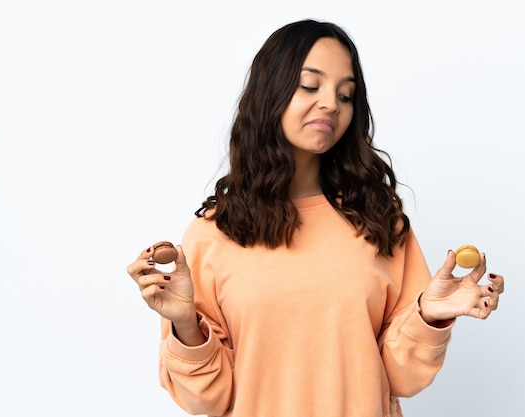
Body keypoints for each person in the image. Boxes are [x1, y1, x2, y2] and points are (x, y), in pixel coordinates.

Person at [127, 19, 504, 417]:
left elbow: (401, 379)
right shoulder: (213, 234)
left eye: (346, 95)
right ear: (270, 91)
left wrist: (428, 314)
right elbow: (207, 399)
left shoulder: (378, 221)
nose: (331, 103)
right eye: (311, 85)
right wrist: (186, 324)